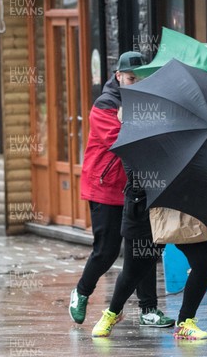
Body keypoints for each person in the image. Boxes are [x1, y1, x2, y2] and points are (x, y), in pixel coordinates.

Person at [69, 51, 174, 328]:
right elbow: (123, 141)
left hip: (137, 187)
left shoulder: (147, 102)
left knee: (143, 248)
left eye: (141, 78)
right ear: (118, 76)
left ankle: (148, 309)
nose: (136, 83)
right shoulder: (105, 105)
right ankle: (81, 291)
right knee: (107, 250)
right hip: (105, 186)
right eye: (131, 78)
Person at [91, 164, 207, 340]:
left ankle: (185, 323)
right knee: (134, 271)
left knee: (204, 260)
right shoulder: (138, 137)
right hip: (144, 207)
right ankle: (113, 312)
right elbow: (136, 173)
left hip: (181, 206)